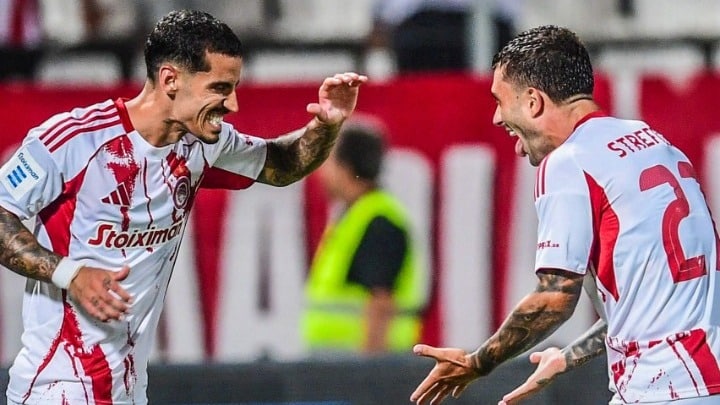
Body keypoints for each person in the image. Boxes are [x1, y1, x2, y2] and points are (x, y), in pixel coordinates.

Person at [0, 9, 366, 405]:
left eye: (234, 88)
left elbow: (282, 165)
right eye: (219, 88)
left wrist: (326, 125)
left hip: (128, 391)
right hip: (57, 388)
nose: (233, 104)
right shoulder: (76, 140)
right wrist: (70, 273)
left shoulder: (203, 146)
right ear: (170, 79)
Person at [410, 25, 720, 405]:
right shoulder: (653, 142)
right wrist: (567, 357)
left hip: (665, 388)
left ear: (533, 102)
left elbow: (554, 298)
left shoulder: (569, 161)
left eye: (499, 100)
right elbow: (652, 304)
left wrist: (478, 363)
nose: (496, 117)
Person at [302, 121, 427, 355]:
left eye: (326, 159)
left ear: (346, 168)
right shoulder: (356, 216)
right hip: (339, 364)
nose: (319, 171)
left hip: (357, 366)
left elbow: (380, 305)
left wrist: (369, 371)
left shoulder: (378, 222)